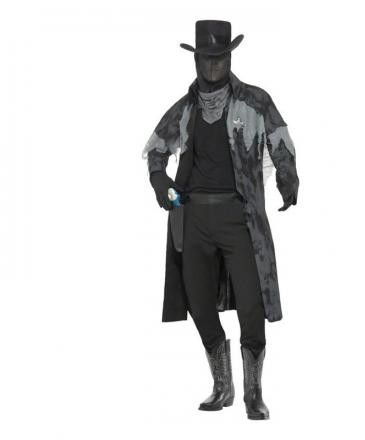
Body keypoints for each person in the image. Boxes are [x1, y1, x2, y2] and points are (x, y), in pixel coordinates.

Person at [142, 20, 299, 420]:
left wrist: (287, 178)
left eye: (219, 58)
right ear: (196, 60)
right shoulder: (186, 107)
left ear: (229, 58)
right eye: (206, 59)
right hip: (193, 216)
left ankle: (253, 392)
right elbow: (157, 148)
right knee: (197, 300)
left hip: (238, 216)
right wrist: (160, 180)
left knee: (252, 302)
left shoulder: (254, 101)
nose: (213, 66)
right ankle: (222, 385)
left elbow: (279, 139)